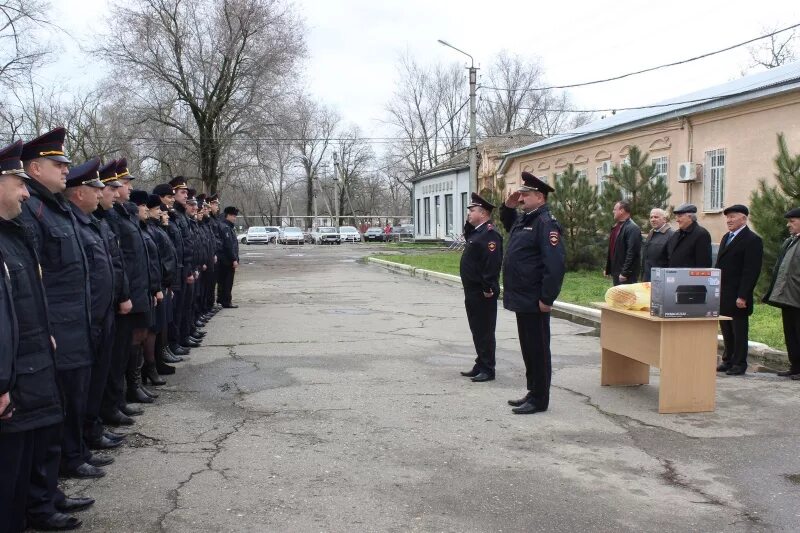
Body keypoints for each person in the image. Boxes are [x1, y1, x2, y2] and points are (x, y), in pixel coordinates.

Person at [1, 139, 89, 531]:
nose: (24, 191)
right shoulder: (27, 221)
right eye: (17, 181)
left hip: (43, 347)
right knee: (18, 455)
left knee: (41, 435)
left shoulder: (20, 228)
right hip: (20, 363)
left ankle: (40, 501)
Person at [19, 129, 103, 482]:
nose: (65, 169)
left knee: (75, 399)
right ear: (35, 169)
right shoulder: (32, 212)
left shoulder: (56, 210)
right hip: (56, 330)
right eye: (58, 164)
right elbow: (35, 281)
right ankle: (53, 481)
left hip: (76, 324)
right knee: (59, 408)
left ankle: (71, 458)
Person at [62, 159, 122, 468]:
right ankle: (79, 446)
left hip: (101, 315)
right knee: (78, 392)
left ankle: (90, 435)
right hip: (83, 321)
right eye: (94, 188)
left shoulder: (90, 222)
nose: (100, 194)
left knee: (95, 382)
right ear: (78, 192)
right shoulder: (70, 222)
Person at [500, 172, 566, 414]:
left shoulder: (546, 223)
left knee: (538, 349)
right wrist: (507, 207)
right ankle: (533, 390)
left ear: (540, 197)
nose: (521, 198)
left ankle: (540, 399)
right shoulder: (526, 218)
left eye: (526, 195)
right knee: (528, 348)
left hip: (535, 298)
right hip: (522, 297)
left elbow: (555, 264)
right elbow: (509, 225)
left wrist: (547, 298)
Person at [714, 205, 763, 376]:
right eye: (727, 217)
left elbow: (751, 271)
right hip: (723, 293)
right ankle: (728, 359)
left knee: (739, 330)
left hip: (738, 295)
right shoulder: (727, 237)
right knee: (726, 328)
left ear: (744, 218)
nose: (729, 220)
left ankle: (739, 363)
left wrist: (743, 295)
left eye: (733, 217)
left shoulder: (752, 240)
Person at [458, 193, 502, 382]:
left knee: (485, 330)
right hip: (472, 290)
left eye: (472, 210)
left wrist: (487, 287)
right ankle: (480, 363)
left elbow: (491, 264)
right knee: (477, 329)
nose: (469, 213)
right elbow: (466, 231)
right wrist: (470, 221)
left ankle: (488, 368)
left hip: (483, 291)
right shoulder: (477, 232)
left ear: (483, 213)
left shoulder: (490, 234)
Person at [764, 207, 800, 380]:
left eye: (792, 221)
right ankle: (795, 366)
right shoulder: (791, 241)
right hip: (788, 297)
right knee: (791, 334)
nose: (788, 225)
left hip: (797, 297)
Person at [604, 199, 641, 285]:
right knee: (617, 298)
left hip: (626, 275)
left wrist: (625, 272)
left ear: (622, 211)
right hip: (616, 272)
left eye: (615, 209)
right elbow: (613, 250)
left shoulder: (633, 228)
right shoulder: (616, 227)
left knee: (626, 298)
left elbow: (631, 252)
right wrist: (608, 268)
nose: (613, 211)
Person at [664, 203, 712, 268]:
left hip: (690, 277)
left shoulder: (701, 234)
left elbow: (703, 264)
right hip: (675, 276)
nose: (677, 220)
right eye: (677, 217)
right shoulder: (677, 234)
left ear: (690, 217)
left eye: (680, 216)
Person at [641, 208, 673, 282]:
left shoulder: (671, 235)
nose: (653, 219)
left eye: (656, 217)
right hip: (647, 277)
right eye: (651, 217)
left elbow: (672, 261)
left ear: (664, 220)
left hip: (661, 279)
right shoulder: (651, 233)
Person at [217, 206, 240, 308]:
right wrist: (234, 259)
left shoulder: (226, 226)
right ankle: (226, 301)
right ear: (229, 215)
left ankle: (221, 300)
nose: (235, 218)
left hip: (225, 259)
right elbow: (228, 245)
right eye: (234, 216)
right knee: (227, 282)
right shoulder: (225, 227)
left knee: (223, 281)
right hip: (227, 260)